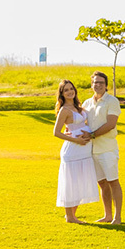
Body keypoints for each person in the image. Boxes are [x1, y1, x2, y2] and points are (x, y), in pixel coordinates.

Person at [53, 79, 98, 223]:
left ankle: (72, 215)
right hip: (72, 150)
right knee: (71, 182)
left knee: (80, 183)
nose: (69, 92)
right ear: (62, 94)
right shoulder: (64, 110)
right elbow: (56, 132)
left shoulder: (79, 107)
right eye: (66, 90)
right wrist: (76, 140)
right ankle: (70, 217)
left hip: (84, 150)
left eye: (71, 89)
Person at [82, 71, 123, 225]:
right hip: (92, 150)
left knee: (113, 182)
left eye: (101, 82)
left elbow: (111, 124)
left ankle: (117, 217)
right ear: (91, 84)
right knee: (102, 183)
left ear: (106, 85)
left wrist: (92, 135)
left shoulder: (112, 101)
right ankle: (107, 216)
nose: (97, 85)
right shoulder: (87, 103)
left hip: (108, 149)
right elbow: (80, 122)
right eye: (95, 82)